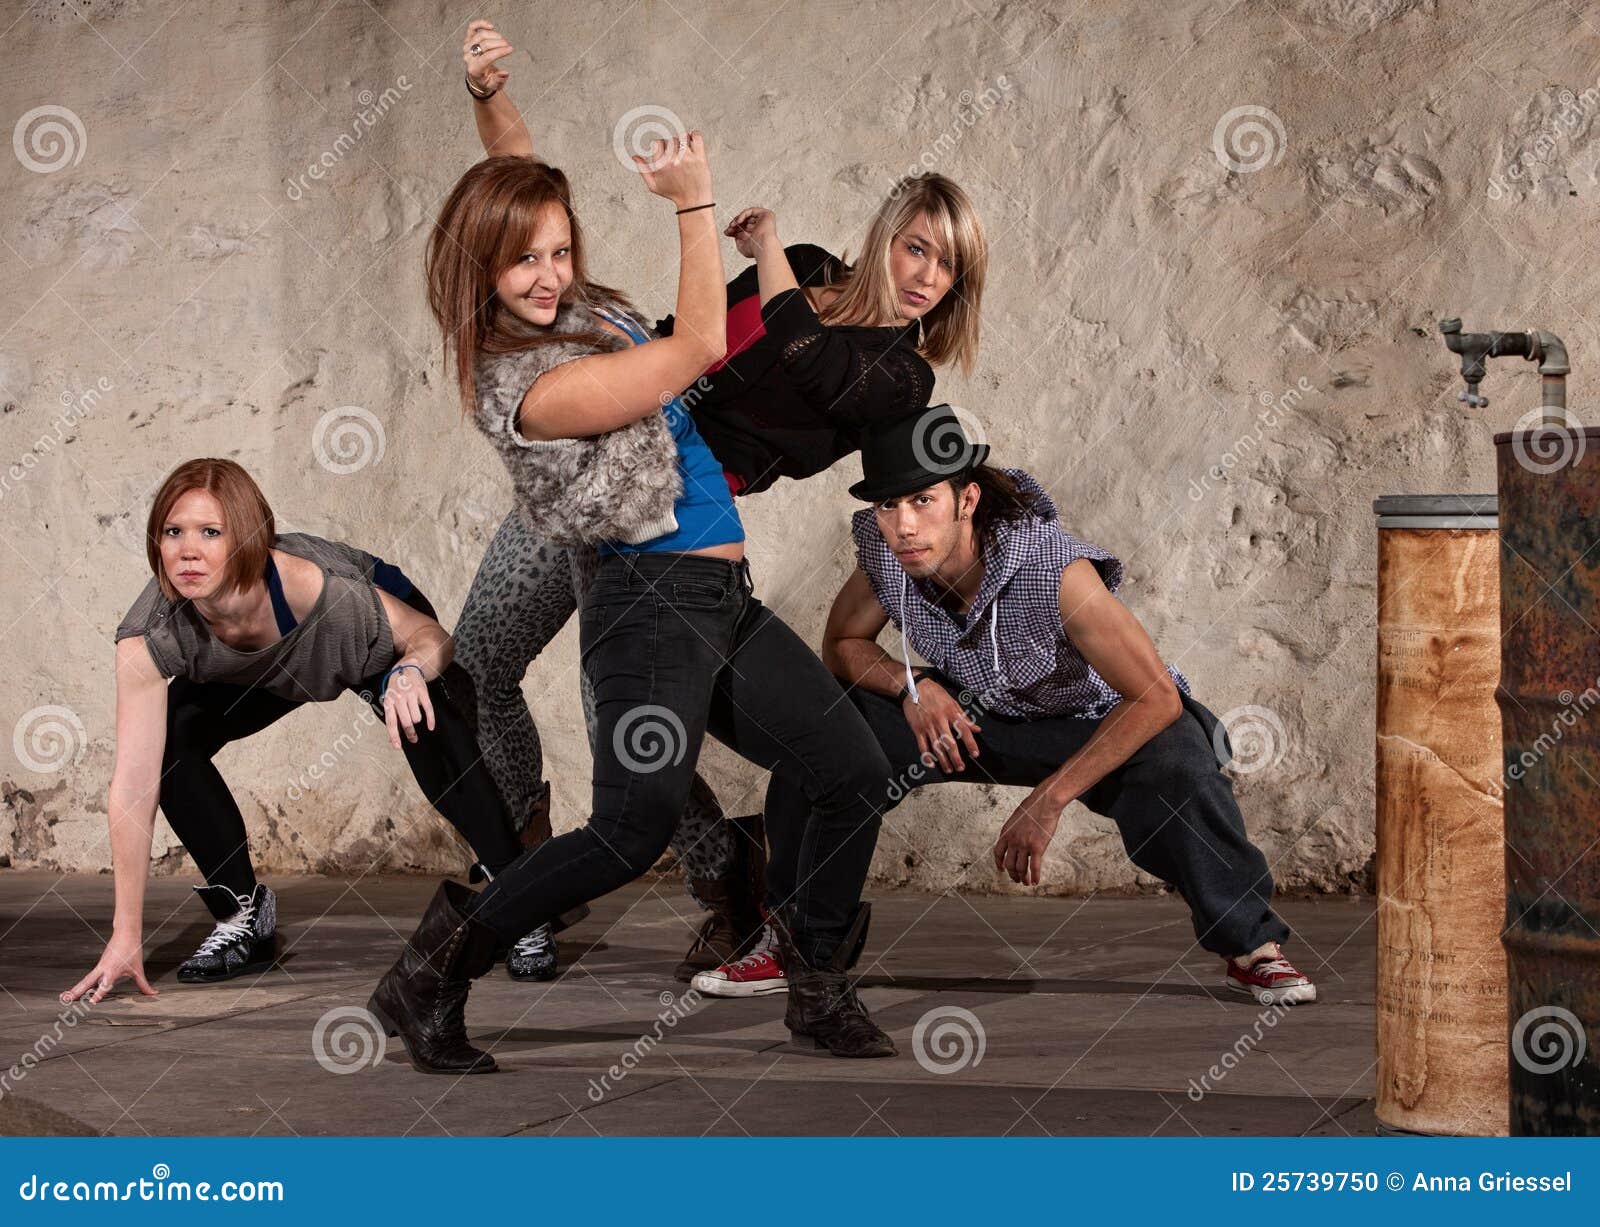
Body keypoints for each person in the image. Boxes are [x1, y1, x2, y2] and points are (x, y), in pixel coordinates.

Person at [452, 17, 988, 990]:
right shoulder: (812, 271)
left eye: (945, 266)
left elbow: (788, 356)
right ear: (886, 237)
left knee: (621, 720)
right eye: (915, 247)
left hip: (670, 524)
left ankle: (720, 886)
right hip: (599, 450)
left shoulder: (893, 375)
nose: (922, 275)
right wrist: (492, 98)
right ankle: (520, 864)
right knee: (480, 660)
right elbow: (557, 235)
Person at [364, 128, 901, 1077]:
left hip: (715, 593)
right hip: (648, 602)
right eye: (522, 258)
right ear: (478, 266)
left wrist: (491, 101)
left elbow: (520, 184)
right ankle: (430, 970)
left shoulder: (575, 310)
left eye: (559, 249)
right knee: (628, 829)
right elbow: (696, 343)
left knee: (851, 765)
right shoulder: (527, 384)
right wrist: (695, 201)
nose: (547, 271)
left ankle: (816, 988)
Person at [761, 407, 1318, 1007]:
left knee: (1182, 763)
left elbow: (1153, 697)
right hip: (974, 718)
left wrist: (1047, 801)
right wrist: (912, 688)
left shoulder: (1052, 568)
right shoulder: (889, 552)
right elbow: (843, 644)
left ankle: (1252, 948)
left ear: (966, 498)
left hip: (1089, 720)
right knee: (823, 739)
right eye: (889, 506)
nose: (904, 525)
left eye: (922, 501)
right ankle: (789, 939)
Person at [61, 458, 541, 1005]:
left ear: (248, 538)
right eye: (174, 531)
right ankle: (243, 912)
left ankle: (520, 896)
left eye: (210, 532)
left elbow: (429, 636)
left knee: (421, 713)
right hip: (257, 669)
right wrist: (126, 935)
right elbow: (132, 785)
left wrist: (409, 672)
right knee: (169, 744)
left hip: (353, 635)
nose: (186, 551)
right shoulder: (150, 635)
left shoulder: (328, 593)